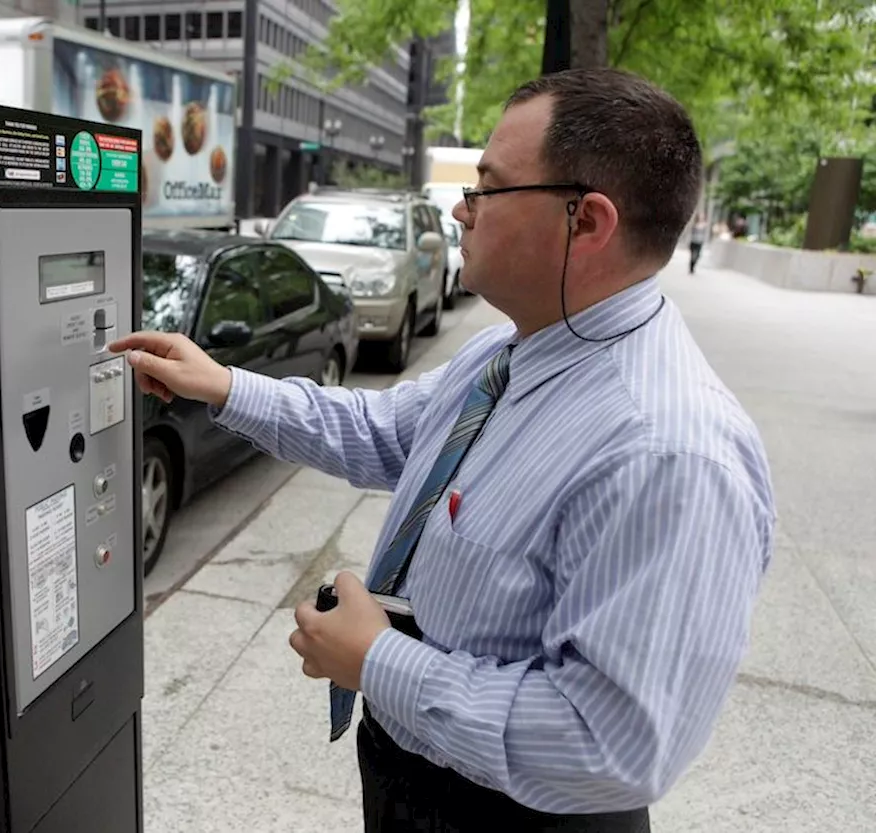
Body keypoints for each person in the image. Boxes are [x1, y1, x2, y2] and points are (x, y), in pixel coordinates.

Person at [110, 67, 774, 832]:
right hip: (415, 777)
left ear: (585, 222)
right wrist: (223, 385)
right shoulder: (511, 353)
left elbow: (605, 746)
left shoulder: (669, 453)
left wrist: (376, 660)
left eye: (487, 189)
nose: (460, 209)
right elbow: (383, 432)